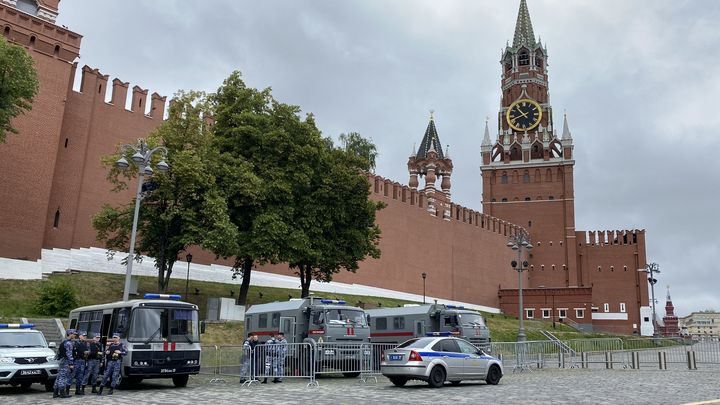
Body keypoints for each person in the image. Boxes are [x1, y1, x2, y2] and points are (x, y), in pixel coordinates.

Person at [53, 329, 76, 399]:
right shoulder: (69, 343)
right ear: (70, 334)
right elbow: (69, 354)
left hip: (61, 361)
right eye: (73, 334)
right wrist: (71, 364)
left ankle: (55, 393)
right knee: (63, 377)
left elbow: (58, 353)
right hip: (65, 362)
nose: (75, 335)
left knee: (59, 377)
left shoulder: (63, 342)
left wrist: (57, 360)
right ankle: (62, 393)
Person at [71, 331, 88, 395]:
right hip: (76, 361)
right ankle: (66, 390)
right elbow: (73, 352)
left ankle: (78, 390)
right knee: (72, 376)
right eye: (83, 336)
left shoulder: (85, 343)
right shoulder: (75, 343)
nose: (84, 337)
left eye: (85, 336)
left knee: (80, 376)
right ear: (80, 336)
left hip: (83, 361)